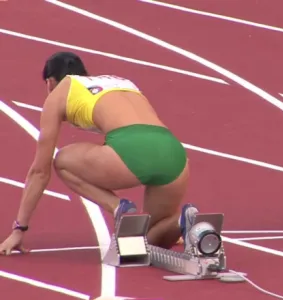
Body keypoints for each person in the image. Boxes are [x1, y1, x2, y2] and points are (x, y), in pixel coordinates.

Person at [0, 51, 198, 255]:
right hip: (174, 152)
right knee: (145, 241)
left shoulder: (62, 89)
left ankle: (118, 206)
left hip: (133, 148)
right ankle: (183, 220)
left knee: (62, 160)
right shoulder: (122, 82)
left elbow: (39, 172)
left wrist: (19, 228)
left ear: (50, 82)